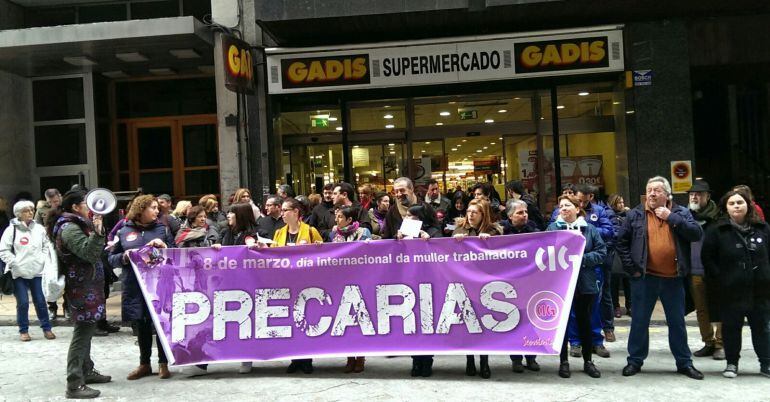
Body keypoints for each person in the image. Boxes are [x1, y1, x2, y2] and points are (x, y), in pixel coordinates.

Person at [617, 176, 704, 380]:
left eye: (657, 190)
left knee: (677, 323)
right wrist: (633, 269)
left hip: (673, 279)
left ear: (667, 194)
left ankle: (684, 363)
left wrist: (670, 217)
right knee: (639, 321)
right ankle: (635, 361)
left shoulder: (680, 213)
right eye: (649, 190)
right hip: (645, 278)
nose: (652, 194)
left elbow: (696, 233)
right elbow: (621, 242)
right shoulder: (635, 214)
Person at [48, 190, 111, 398]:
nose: (89, 207)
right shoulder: (69, 228)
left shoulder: (77, 224)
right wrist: (98, 233)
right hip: (82, 289)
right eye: (86, 203)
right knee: (82, 334)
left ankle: (86, 371)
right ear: (75, 207)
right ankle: (74, 383)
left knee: (87, 331)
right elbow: (88, 252)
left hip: (88, 287)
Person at [702, 190, 770, 378]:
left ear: (748, 204)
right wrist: (721, 278)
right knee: (731, 328)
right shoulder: (717, 230)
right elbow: (708, 259)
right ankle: (732, 363)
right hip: (731, 290)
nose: (736, 206)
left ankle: (766, 363)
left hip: (759, 289)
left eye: (740, 202)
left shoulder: (762, 228)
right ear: (726, 208)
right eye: (732, 203)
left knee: (762, 327)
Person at [109, 195, 175, 380]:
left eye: (157, 208)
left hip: (160, 284)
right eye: (152, 208)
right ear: (141, 210)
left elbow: (175, 254)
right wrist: (124, 257)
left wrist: (164, 247)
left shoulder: (162, 229)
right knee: (141, 323)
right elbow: (111, 258)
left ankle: (164, 363)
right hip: (135, 285)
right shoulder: (123, 231)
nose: (157, 211)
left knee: (160, 323)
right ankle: (144, 364)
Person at [548, 195, 607, 378]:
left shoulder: (589, 229)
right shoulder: (552, 229)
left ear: (577, 208)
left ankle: (588, 361)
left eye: (567, 205)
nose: (563, 209)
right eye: (560, 206)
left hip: (585, 283)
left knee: (585, 322)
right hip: (560, 284)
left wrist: (582, 259)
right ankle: (563, 362)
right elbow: (544, 251)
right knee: (562, 325)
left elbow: (602, 252)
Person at [271, 198, 323, 374]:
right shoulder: (279, 233)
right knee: (291, 321)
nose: (282, 213)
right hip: (285, 283)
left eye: (285, 210)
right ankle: (294, 358)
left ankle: (307, 358)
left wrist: (319, 247)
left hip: (307, 282)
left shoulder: (310, 231)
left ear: (295, 212)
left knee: (306, 319)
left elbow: (324, 253)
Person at [452, 198, 503, 379]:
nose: (470, 215)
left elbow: (503, 252)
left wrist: (491, 242)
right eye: (469, 211)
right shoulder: (459, 230)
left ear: (483, 214)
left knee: (483, 322)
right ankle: (469, 360)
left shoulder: (494, 230)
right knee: (468, 323)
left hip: (485, 283)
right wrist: (456, 240)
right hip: (464, 282)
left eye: (475, 212)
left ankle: (484, 361)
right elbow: (448, 252)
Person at [0, 200, 55, 341]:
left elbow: (46, 245)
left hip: (37, 271)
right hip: (18, 273)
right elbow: (4, 250)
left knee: (40, 301)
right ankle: (23, 330)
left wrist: (42, 259)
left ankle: (47, 328)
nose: (30, 213)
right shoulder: (10, 230)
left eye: (31, 210)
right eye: (26, 211)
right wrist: (15, 262)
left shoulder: (39, 229)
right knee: (23, 303)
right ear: (18, 214)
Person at [501, 199, 542, 372]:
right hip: (509, 283)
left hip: (530, 281)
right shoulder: (501, 231)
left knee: (530, 319)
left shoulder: (534, 229)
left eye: (525, 212)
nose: (524, 215)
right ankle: (516, 358)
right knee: (514, 321)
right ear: (510, 216)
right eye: (519, 213)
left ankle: (531, 357)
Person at [330, 205, 371, 372]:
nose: (336, 220)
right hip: (342, 280)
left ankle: (360, 357)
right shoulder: (334, 235)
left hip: (361, 279)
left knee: (360, 319)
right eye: (336, 216)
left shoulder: (363, 233)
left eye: (340, 217)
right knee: (346, 320)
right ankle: (349, 357)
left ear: (349, 220)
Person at [686, 180, 724, 360]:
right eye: (692, 194)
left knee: (720, 307)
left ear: (708, 196)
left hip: (716, 270)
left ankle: (721, 343)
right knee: (701, 309)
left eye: (699, 194)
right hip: (694, 270)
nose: (694, 196)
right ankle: (708, 342)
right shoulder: (685, 216)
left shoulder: (719, 216)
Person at [607, 194, 632, 318]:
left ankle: (630, 305)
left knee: (628, 280)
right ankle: (615, 306)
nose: (622, 205)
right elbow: (614, 233)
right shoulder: (609, 215)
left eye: (623, 202)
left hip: (627, 251)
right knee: (614, 281)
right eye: (619, 203)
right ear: (613, 204)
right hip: (615, 251)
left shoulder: (628, 215)